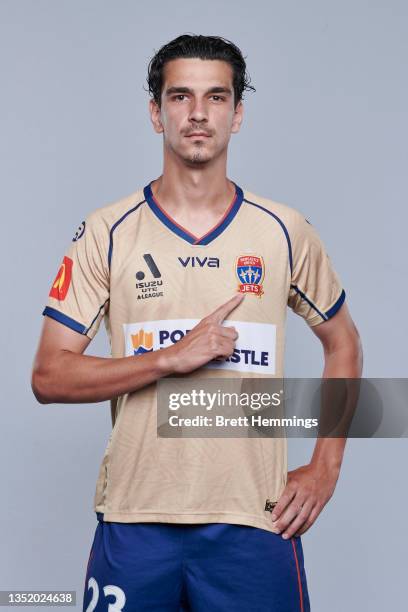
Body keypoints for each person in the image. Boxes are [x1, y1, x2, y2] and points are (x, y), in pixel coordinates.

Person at [31, 34, 362, 612]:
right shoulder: (108, 232)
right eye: (180, 96)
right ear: (156, 113)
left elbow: (344, 343)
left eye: (216, 97)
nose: (199, 113)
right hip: (136, 522)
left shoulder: (283, 230)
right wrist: (167, 359)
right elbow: (49, 377)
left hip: (253, 523)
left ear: (238, 113)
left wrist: (326, 467)